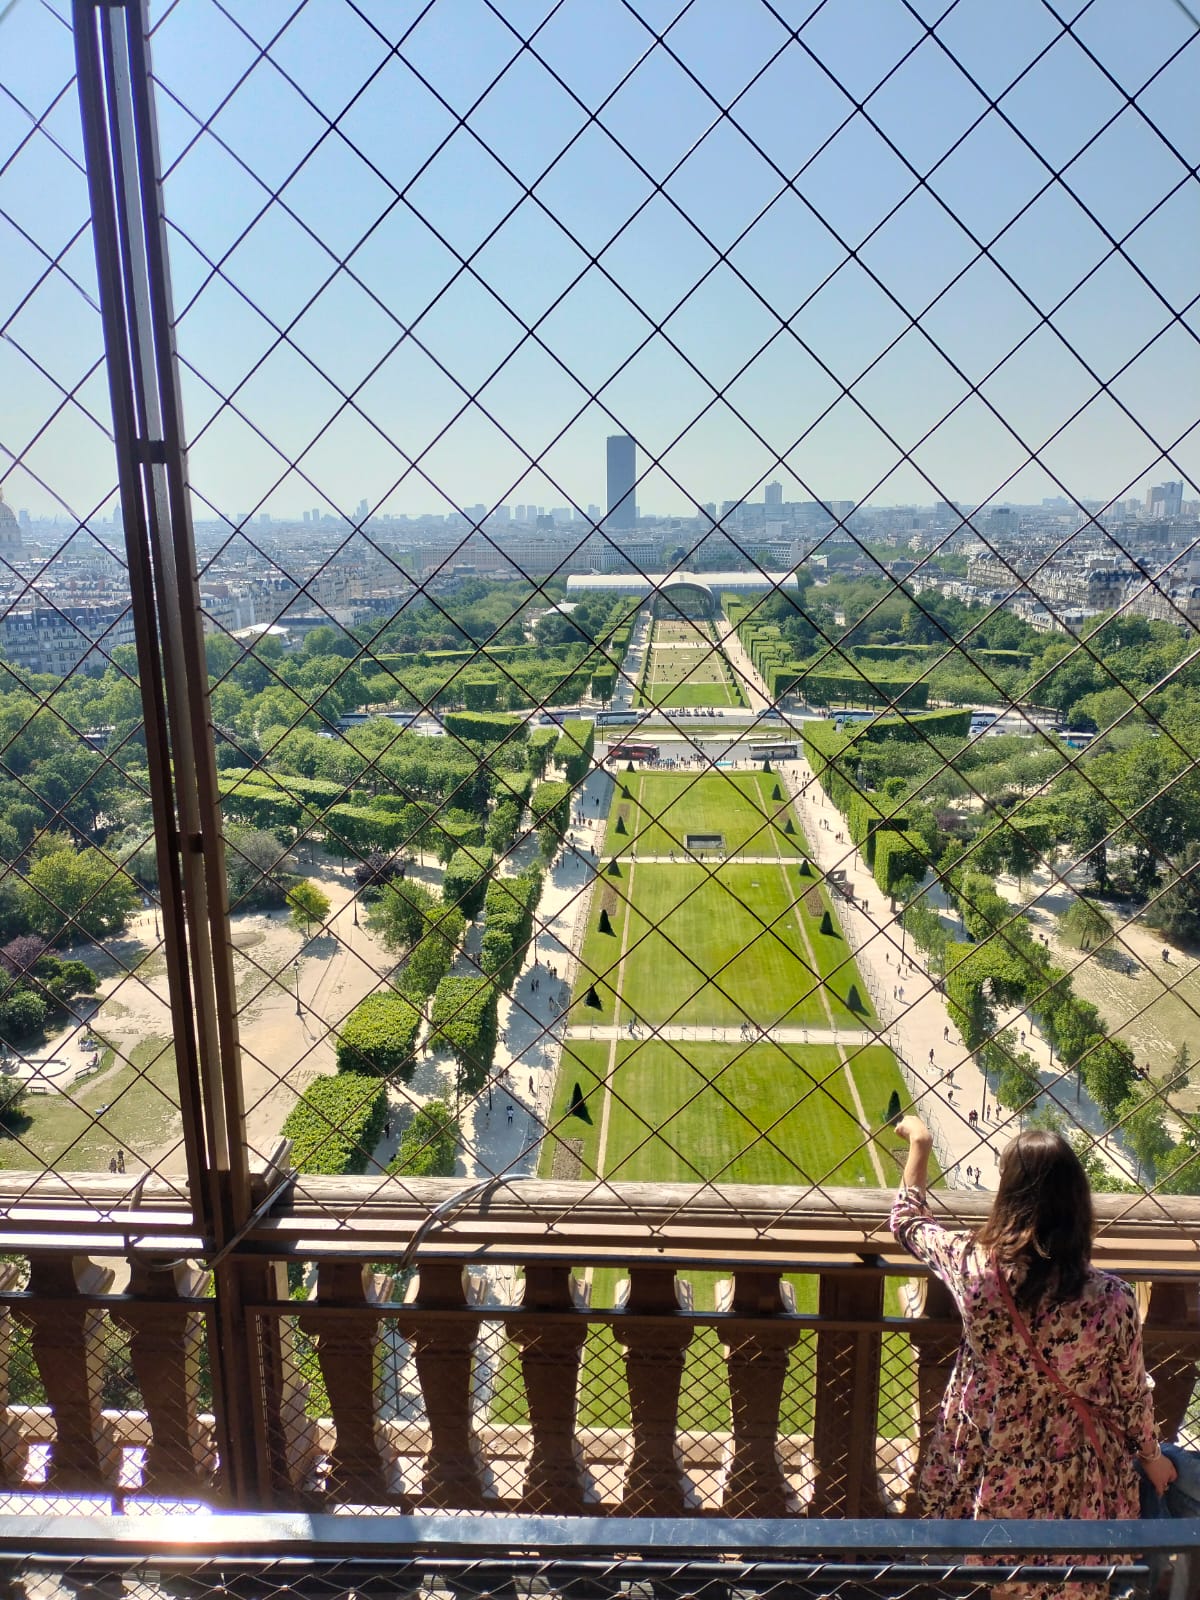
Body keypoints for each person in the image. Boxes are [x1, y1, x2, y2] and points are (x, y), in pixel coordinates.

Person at [891, 1116, 1175, 1560]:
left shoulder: (971, 1265)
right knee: (1066, 1575)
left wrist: (921, 1145)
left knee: (994, 1567)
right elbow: (1131, 1395)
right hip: (1073, 1458)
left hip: (986, 1447)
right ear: (1078, 1202)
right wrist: (1151, 1456)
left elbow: (906, 1220)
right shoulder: (1112, 1300)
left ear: (1007, 1196)